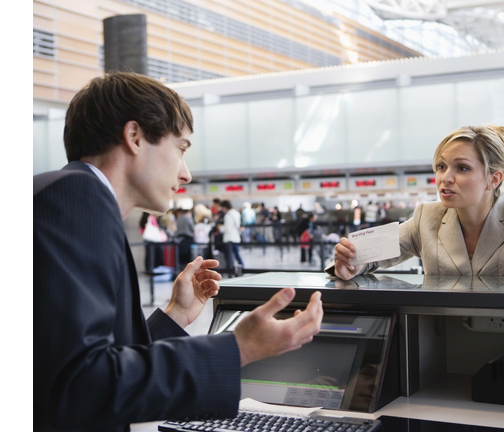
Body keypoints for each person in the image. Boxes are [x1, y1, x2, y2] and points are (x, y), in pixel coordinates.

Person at [34, 72, 323, 432]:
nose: (185, 174)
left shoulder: (73, 197)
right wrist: (240, 348)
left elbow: (86, 361)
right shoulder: (77, 200)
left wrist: (176, 316)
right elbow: (80, 387)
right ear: (135, 137)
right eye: (181, 148)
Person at [330, 105, 504, 281]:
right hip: (438, 343)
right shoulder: (426, 217)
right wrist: (351, 263)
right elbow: (364, 256)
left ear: (493, 179)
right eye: (441, 166)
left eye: (462, 168)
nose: (446, 177)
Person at [219, 200, 244, 274]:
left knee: (229, 257)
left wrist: (220, 228)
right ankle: (242, 268)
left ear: (224, 207)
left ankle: (231, 272)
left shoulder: (227, 215)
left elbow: (227, 229)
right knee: (236, 254)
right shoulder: (236, 213)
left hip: (229, 238)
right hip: (236, 237)